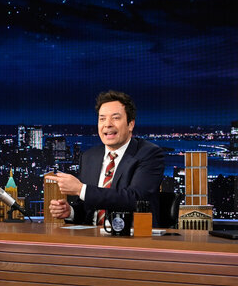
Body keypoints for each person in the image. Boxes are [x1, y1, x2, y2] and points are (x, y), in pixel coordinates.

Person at [48, 90, 164, 225]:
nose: (107, 124)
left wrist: (81, 189)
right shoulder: (89, 157)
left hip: (131, 235)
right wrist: (70, 212)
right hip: (92, 236)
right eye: (102, 119)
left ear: (131, 124)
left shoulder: (149, 154)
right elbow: (87, 206)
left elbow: (136, 199)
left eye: (115, 118)